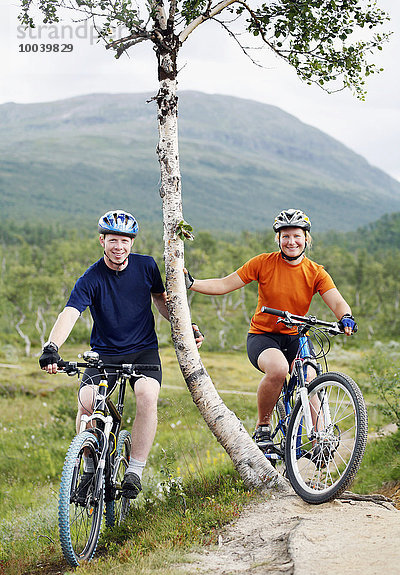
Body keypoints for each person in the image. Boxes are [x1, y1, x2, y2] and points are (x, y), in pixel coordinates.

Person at [39, 209, 202, 500]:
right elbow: (70, 313)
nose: (119, 247)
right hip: (104, 354)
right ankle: (88, 465)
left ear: (132, 243)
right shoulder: (91, 277)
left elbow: (161, 301)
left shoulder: (146, 267)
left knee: (147, 396)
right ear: (102, 240)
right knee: (87, 402)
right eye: (113, 240)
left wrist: (184, 326)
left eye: (125, 241)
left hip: (143, 352)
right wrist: (51, 347)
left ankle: (134, 471)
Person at [184, 208, 357, 450]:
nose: (291, 242)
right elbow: (225, 283)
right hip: (263, 336)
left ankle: (320, 437)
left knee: (310, 377)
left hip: (297, 336)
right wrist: (192, 284)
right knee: (278, 370)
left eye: (297, 236)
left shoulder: (316, 272)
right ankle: (263, 426)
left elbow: (337, 301)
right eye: (285, 236)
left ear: (307, 238)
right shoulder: (263, 263)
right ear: (278, 239)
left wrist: (346, 317)